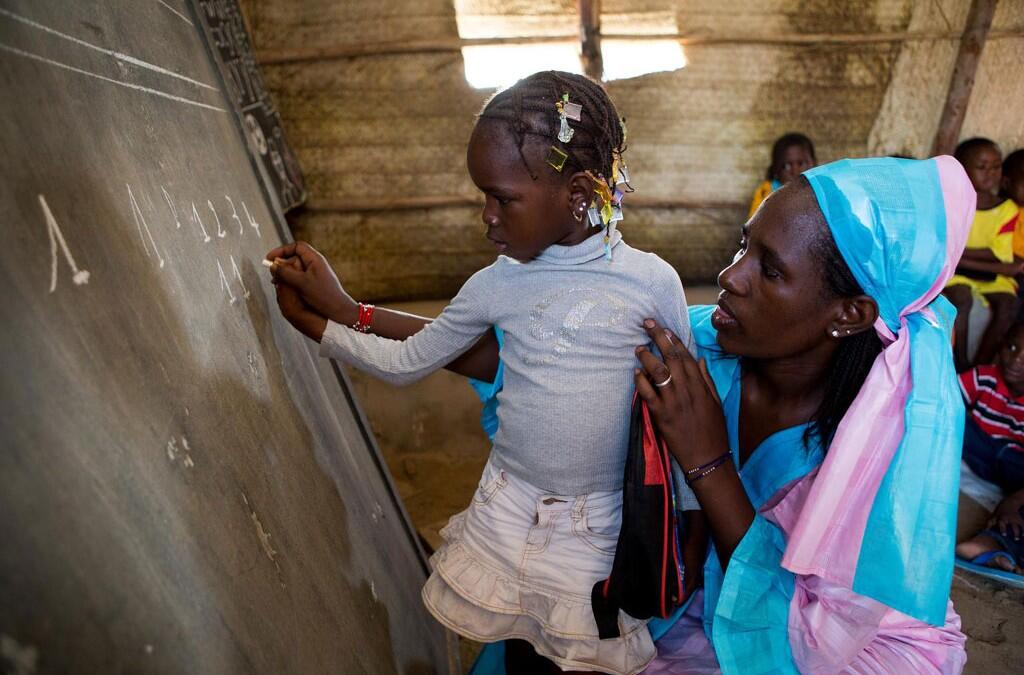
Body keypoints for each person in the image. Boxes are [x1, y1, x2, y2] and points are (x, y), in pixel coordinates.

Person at [265, 71, 699, 674]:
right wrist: (323, 322)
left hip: (598, 527)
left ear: (576, 194)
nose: (486, 218)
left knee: (581, 654)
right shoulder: (497, 283)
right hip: (508, 507)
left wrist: (684, 527)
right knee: (520, 648)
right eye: (482, 197)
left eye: (502, 198)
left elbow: (684, 414)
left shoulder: (654, 284)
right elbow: (408, 362)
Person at [635, 156, 971, 673]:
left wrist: (707, 461)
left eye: (768, 269)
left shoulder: (879, 440)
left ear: (848, 314)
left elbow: (806, 642)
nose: (729, 276)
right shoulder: (697, 347)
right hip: (710, 590)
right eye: (743, 245)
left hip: (826, 632)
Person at [943, 138, 1022, 371]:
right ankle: (959, 362)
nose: (991, 173)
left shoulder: (1007, 210)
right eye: (982, 167)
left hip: (986, 277)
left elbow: (999, 255)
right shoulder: (953, 202)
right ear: (961, 169)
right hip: (959, 275)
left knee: (1008, 305)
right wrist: (984, 258)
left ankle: (980, 366)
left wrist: (957, 254)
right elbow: (994, 257)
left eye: (996, 166)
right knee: (961, 298)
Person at [955, 322, 1024, 575]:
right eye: (1012, 347)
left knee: (1017, 513)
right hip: (980, 450)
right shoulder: (984, 377)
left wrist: (1013, 502)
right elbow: (945, 399)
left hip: (1017, 471)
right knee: (951, 413)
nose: (1015, 360)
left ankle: (995, 545)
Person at [747, 133, 816, 219]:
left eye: (801, 163)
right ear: (776, 169)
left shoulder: (819, 189)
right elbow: (754, 224)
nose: (795, 171)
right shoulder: (766, 192)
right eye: (786, 166)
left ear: (813, 163)